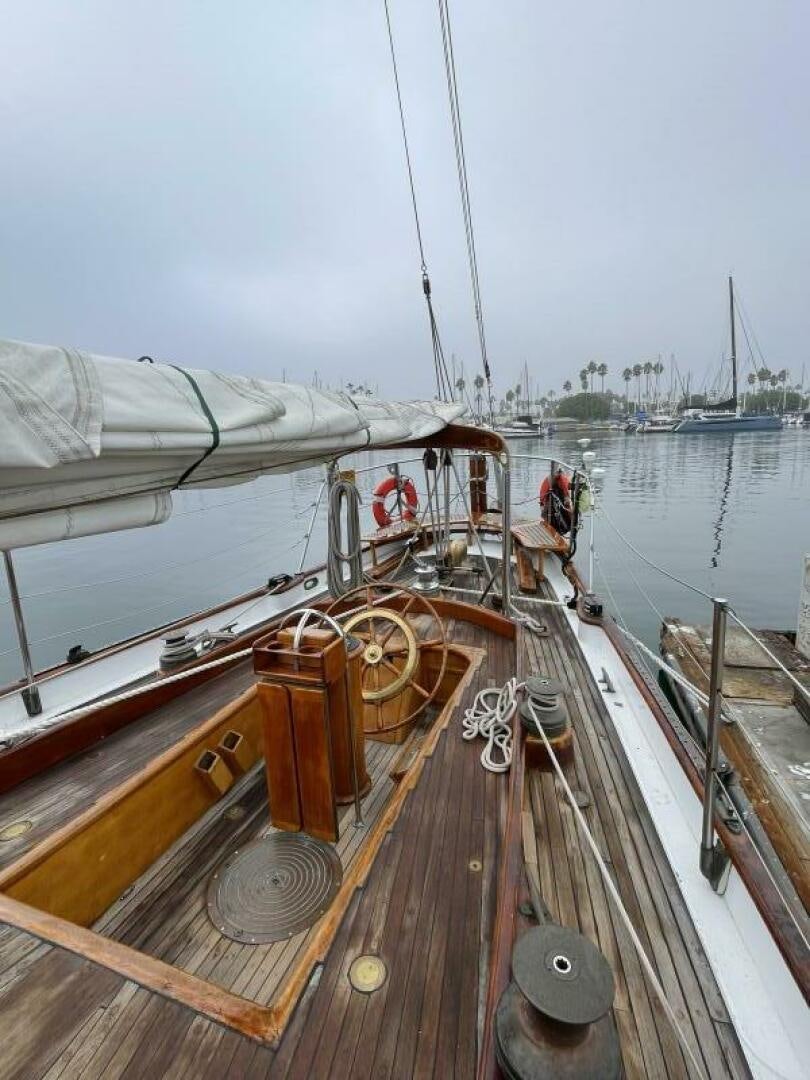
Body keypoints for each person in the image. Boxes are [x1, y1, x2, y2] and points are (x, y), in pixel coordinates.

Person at [540, 467, 572, 535]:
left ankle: (560, 530)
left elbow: (566, 497)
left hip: (558, 503)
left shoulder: (563, 480)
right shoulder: (548, 481)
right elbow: (542, 496)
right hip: (551, 504)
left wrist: (567, 504)